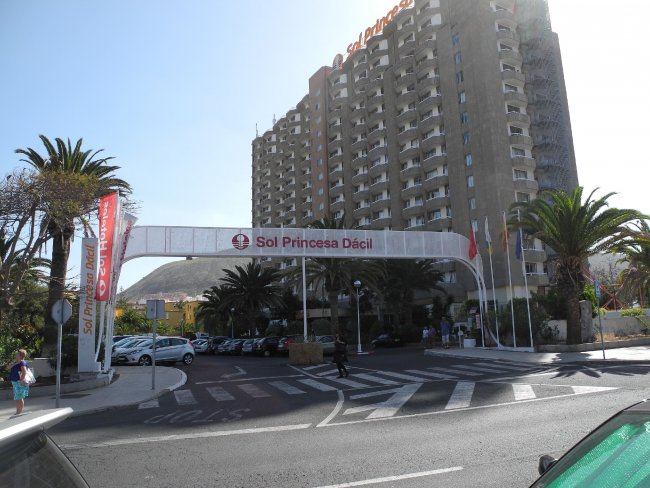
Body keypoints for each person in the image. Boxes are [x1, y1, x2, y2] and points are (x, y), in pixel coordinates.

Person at [9, 349, 30, 415]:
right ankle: (18, 412)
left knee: (19, 398)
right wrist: (16, 363)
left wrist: (21, 380)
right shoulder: (17, 362)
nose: (16, 355)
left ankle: (18, 412)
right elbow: (8, 367)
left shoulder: (22, 363)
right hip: (15, 382)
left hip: (19, 382)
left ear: (21, 355)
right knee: (17, 398)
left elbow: (24, 372)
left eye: (17, 354)